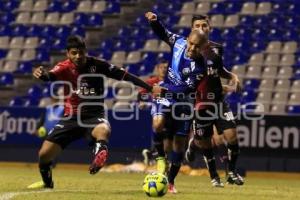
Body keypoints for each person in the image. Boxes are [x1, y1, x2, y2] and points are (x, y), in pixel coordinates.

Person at [27, 35, 163, 189]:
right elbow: (49, 76)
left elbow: (125, 76)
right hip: (71, 117)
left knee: (103, 131)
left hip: (94, 115)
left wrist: (150, 88)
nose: (78, 56)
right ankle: (47, 183)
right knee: (43, 155)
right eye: (74, 53)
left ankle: (100, 154)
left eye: (81, 52)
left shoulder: (98, 65)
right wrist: (41, 73)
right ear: (68, 54)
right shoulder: (64, 67)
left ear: (85, 51)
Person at [146, 12, 208, 193]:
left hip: (184, 102)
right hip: (166, 93)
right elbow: (163, 32)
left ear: (203, 47)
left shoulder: (200, 67)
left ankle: (170, 181)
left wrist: (163, 89)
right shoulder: (179, 41)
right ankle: (159, 159)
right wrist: (155, 21)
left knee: (179, 144)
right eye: (191, 43)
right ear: (187, 39)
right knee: (158, 124)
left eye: (197, 47)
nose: (192, 48)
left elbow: (187, 89)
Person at [186, 15, 244, 187]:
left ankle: (232, 172)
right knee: (205, 141)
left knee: (231, 136)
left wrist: (233, 76)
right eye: (197, 26)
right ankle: (213, 175)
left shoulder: (217, 49)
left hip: (218, 101)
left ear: (209, 28)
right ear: (191, 29)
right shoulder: (185, 50)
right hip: (199, 103)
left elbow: (218, 70)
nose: (201, 28)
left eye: (204, 25)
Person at [138, 61, 173, 168]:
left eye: (166, 67)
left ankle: (152, 154)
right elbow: (141, 95)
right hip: (159, 111)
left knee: (169, 143)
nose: (164, 69)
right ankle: (161, 162)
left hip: (172, 112)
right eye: (161, 67)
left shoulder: (173, 81)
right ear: (157, 69)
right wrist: (144, 103)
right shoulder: (152, 82)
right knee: (159, 129)